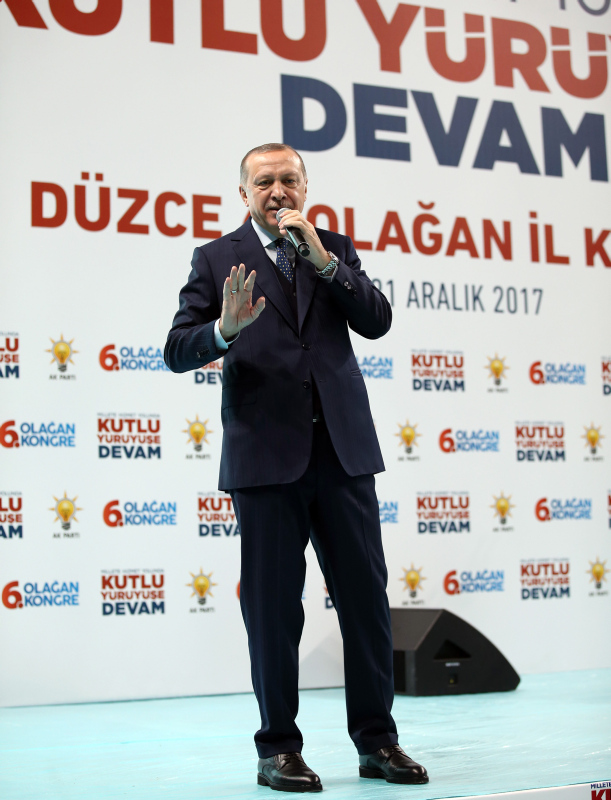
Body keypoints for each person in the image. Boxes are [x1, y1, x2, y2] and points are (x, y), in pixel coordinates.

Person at [164, 143, 429, 792]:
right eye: (264, 182)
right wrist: (222, 332)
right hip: (264, 459)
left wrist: (326, 263)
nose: (277, 190)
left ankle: (378, 742)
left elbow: (376, 321)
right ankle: (277, 749)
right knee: (273, 612)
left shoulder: (331, 248)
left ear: (305, 187)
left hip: (343, 454)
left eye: (288, 179)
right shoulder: (215, 258)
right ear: (243, 194)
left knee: (365, 604)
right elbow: (175, 348)